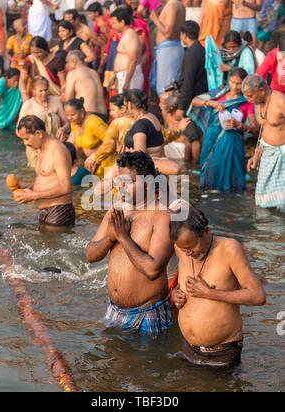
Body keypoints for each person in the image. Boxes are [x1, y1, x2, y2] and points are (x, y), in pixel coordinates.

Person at [85, 151, 174, 336]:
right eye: (120, 181)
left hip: (148, 313)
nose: (122, 187)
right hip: (113, 311)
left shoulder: (162, 217)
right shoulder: (115, 212)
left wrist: (123, 237)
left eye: (130, 182)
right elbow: (90, 255)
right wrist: (110, 237)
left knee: (146, 363)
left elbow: (152, 270)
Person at [169, 202, 266, 367]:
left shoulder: (229, 249)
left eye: (192, 247)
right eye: (183, 249)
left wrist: (210, 293)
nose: (188, 253)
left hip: (222, 353)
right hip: (188, 348)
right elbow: (182, 283)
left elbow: (258, 296)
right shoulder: (183, 249)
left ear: (206, 231)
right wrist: (177, 294)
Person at [191, 67, 259, 191]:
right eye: (232, 82)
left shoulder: (247, 101)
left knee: (233, 177)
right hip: (212, 140)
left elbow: (255, 128)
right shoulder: (219, 94)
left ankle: (231, 199)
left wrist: (239, 125)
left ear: (245, 83)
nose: (235, 86)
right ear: (228, 81)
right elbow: (195, 101)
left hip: (234, 143)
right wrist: (211, 103)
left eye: (239, 83)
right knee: (211, 170)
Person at [15, 115, 75, 227]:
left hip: (59, 211)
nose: (25, 143)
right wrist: (27, 186)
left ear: (39, 134)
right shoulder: (40, 149)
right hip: (47, 211)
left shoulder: (57, 150)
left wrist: (33, 196)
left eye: (26, 138)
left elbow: (66, 187)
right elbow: (49, 180)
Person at [242, 74, 285, 210]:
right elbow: (263, 130)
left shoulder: (280, 101)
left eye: (250, 96)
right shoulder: (258, 103)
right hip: (267, 154)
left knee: (282, 204)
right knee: (262, 201)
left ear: (261, 90)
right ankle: (266, 229)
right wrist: (256, 154)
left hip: (282, 156)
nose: (248, 100)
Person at [124, 89, 181, 175]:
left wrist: (130, 156)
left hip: (147, 169)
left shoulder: (140, 125)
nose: (124, 110)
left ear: (130, 104)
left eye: (125, 105)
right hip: (157, 163)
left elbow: (140, 158)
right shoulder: (151, 116)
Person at [19, 76, 68, 168]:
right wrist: (31, 143)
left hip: (55, 145)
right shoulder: (28, 105)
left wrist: (62, 129)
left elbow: (67, 123)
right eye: (40, 91)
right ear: (33, 91)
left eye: (46, 90)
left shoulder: (56, 101)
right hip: (34, 149)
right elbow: (18, 131)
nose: (44, 93)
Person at [85, 93, 135, 175]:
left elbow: (108, 146)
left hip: (117, 163)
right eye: (110, 110)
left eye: (113, 110)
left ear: (122, 109)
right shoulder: (137, 120)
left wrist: (94, 158)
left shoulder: (117, 122)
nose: (110, 113)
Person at [64, 97, 109, 178]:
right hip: (91, 164)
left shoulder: (94, 122)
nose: (70, 118)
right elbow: (75, 145)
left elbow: (111, 142)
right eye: (67, 115)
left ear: (81, 111)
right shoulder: (74, 123)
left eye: (73, 114)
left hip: (107, 163)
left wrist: (94, 157)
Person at [149, 0, 185, 96]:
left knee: (166, 90)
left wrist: (155, 18)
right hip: (170, 48)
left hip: (168, 51)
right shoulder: (179, 5)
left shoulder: (172, 5)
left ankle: (167, 110)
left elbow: (168, 33)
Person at [175, 20, 208, 119]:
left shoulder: (192, 53)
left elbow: (188, 82)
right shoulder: (201, 49)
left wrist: (181, 108)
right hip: (201, 94)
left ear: (184, 35)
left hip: (193, 98)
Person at [19, 36, 66, 102]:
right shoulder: (29, 61)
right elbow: (22, 81)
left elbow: (63, 83)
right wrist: (24, 94)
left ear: (45, 49)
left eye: (38, 52)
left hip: (56, 98)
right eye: (33, 52)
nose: (36, 55)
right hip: (38, 99)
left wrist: (63, 96)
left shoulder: (56, 61)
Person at [65, 50, 107, 120]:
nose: (66, 65)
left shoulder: (72, 74)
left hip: (88, 115)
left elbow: (69, 100)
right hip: (103, 115)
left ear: (74, 61)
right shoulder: (94, 73)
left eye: (67, 62)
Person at [111, 7, 144, 93]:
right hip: (124, 75)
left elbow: (133, 59)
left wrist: (127, 81)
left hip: (129, 76)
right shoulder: (126, 35)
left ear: (122, 22)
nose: (113, 26)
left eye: (114, 23)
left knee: (129, 104)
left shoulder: (130, 35)